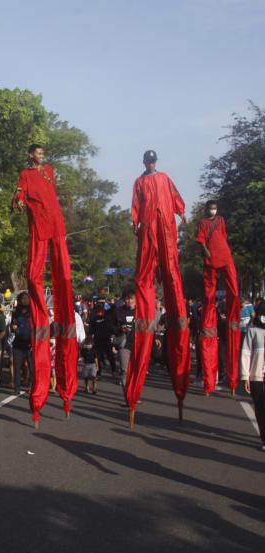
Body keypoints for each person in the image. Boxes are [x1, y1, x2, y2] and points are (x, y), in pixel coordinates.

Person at [13, 143, 78, 420]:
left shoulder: (49, 171)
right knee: (35, 274)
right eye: (37, 153)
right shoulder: (26, 174)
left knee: (64, 275)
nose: (41, 156)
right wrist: (18, 200)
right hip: (40, 225)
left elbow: (51, 191)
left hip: (56, 224)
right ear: (30, 155)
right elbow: (19, 193)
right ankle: (38, 398)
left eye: (42, 153)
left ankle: (67, 393)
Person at [126, 150, 190, 417]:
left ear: (156, 162)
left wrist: (181, 212)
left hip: (166, 226)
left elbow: (175, 195)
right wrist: (135, 221)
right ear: (144, 162)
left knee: (172, 272)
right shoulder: (139, 182)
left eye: (154, 160)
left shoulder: (164, 178)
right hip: (148, 226)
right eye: (148, 161)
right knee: (145, 274)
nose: (151, 164)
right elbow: (135, 205)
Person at [195, 200, 241, 395]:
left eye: (214, 207)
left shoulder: (221, 220)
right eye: (210, 207)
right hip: (211, 258)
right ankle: (209, 382)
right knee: (209, 293)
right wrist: (206, 251)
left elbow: (224, 236)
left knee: (234, 289)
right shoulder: (203, 222)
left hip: (224, 255)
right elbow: (200, 240)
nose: (212, 210)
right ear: (207, 209)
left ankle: (229, 380)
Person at [240, 302, 265, 451]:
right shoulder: (252, 331)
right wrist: (245, 376)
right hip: (256, 376)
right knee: (260, 408)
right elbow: (246, 353)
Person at [10, 293, 33, 395]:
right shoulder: (15, 313)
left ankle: (32, 386)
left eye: (27, 298)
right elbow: (12, 326)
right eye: (23, 298)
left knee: (31, 367)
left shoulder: (32, 312)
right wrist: (14, 328)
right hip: (18, 344)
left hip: (30, 344)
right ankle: (17, 388)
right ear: (19, 300)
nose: (25, 300)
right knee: (17, 366)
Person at [115, 292, 137, 387]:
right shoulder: (118, 311)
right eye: (127, 299)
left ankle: (134, 395)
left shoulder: (140, 311)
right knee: (125, 371)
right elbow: (111, 326)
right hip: (124, 344)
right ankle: (128, 397)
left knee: (136, 371)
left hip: (137, 345)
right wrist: (120, 329)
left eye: (131, 298)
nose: (129, 301)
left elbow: (147, 327)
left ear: (136, 300)